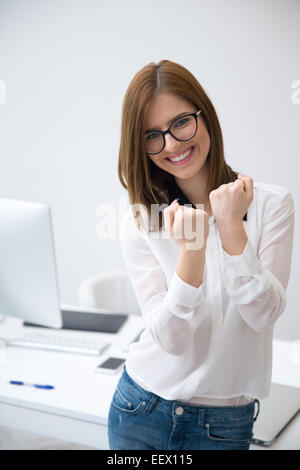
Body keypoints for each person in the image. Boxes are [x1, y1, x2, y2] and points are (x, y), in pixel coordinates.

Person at [107, 59, 295, 450]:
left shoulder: (272, 205)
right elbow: (169, 339)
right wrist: (191, 253)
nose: (172, 144)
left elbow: (263, 314)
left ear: (204, 115)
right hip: (139, 407)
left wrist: (231, 230)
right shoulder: (142, 221)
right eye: (152, 136)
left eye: (180, 123)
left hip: (223, 425)